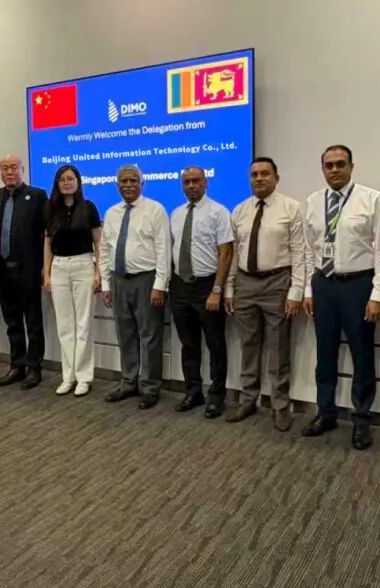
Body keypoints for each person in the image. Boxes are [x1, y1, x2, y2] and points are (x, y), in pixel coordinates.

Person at [302, 145, 380, 449]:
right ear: (323, 169)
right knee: (325, 353)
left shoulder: (371, 199)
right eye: (329, 165)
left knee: (361, 354)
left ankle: (361, 419)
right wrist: (308, 289)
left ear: (351, 166)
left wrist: (377, 294)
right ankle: (325, 412)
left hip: (358, 285)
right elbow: (309, 249)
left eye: (340, 164)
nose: (335, 170)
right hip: (324, 284)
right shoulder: (313, 202)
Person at [224, 157, 306, 431]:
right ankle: (248, 399)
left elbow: (299, 251)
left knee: (278, 348)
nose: (259, 178)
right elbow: (235, 254)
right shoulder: (240, 210)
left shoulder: (291, 208)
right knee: (248, 345)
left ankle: (280, 406)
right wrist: (229, 288)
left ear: (276, 177)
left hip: (277, 283)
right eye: (254, 174)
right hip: (245, 283)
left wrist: (296, 291)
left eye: (265, 174)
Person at [99, 165, 171, 409]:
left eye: (133, 180)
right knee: (125, 334)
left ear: (142, 184)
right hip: (119, 280)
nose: (128, 185)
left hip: (146, 280)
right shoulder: (111, 212)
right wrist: (106, 284)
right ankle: (129, 382)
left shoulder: (155, 210)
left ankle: (149, 387)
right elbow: (105, 250)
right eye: (123, 181)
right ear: (117, 184)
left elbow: (163, 250)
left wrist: (160, 285)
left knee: (149, 336)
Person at [169, 166, 233, 419]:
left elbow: (226, 253)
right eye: (186, 182)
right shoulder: (176, 214)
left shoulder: (219, 212)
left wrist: (217, 290)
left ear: (205, 183)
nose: (191, 185)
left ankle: (217, 396)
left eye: (196, 181)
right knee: (188, 344)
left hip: (207, 286)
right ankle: (193, 392)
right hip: (180, 286)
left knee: (215, 344)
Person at [0, 155, 48, 389]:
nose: (9, 172)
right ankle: (16, 366)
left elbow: (46, 235)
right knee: (12, 323)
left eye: (14, 167)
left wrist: (44, 267)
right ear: (0, 172)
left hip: (28, 270)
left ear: (22, 170)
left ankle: (34, 368)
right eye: (5, 168)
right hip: (1, 272)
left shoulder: (37, 195)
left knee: (33, 322)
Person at [43, 165, 102, 396]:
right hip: (59, 267)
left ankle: (84, 377)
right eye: (62, 179)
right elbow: (48, 243)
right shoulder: (51, 208)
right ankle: (68, 377)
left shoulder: (89, 208)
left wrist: (98, 272)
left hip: (83, 266)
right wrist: (47, 273)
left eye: (70, 178)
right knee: (65, 326)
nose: (66, 183)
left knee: (83, 325)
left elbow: (98, 242)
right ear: (57, 184)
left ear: (78, 182)